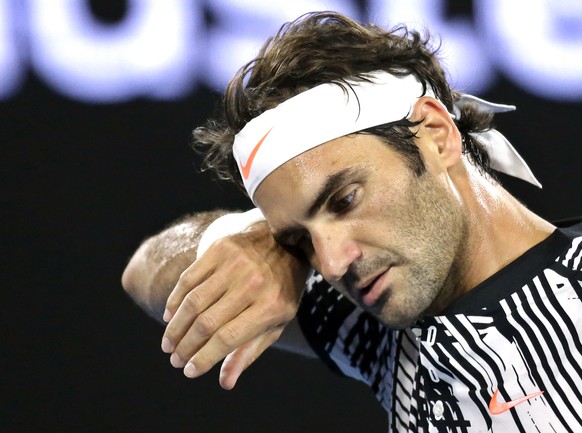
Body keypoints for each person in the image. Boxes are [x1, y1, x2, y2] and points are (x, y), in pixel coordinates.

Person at [122, 11, 582, 433]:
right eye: (301, 239)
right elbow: (144, 271)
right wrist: (248, 242)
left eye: (344, 200)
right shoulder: (377, 327)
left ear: (437, 137)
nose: (333, 262)